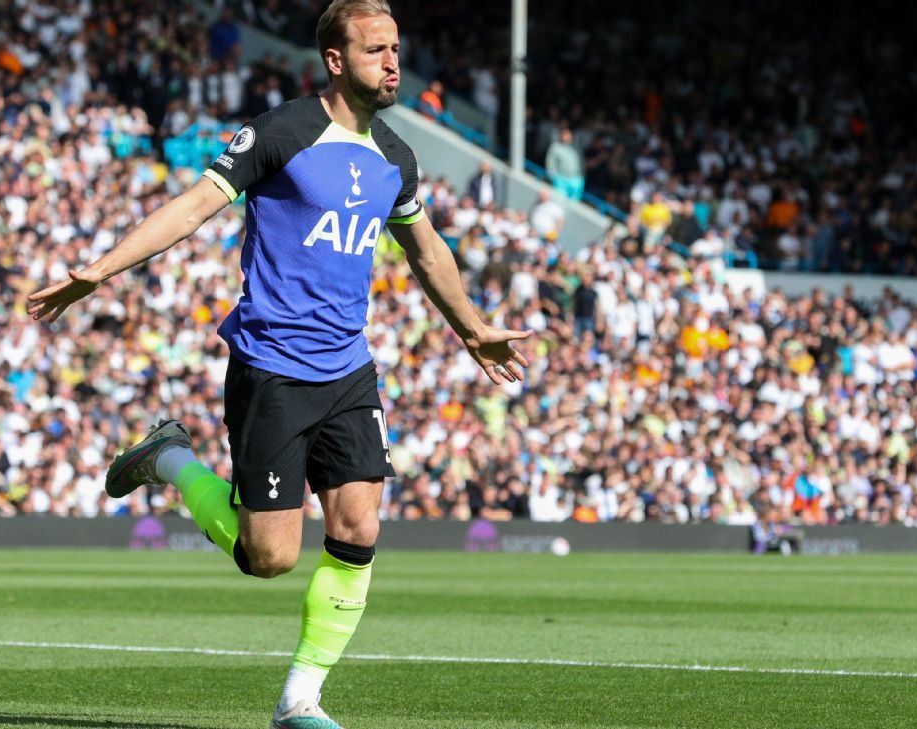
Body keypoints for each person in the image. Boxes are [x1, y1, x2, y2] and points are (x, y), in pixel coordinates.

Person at [28, 2, 532, 726]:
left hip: (348, 370)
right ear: (335, 59)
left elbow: (427, 250)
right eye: (375, 50)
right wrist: (98, 270)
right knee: (269, 557)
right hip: (273, 368)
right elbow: (195, 204)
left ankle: (300, 698)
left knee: (358, 527)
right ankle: (169, 459)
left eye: (395, 48)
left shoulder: (396, 155)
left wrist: (473, 328)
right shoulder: (280, 133)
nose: (393, 63)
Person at [545, 126, 583, 200]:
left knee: (574, 203)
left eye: (569, 135)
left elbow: (581, 164)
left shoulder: (576, 149)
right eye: (565, 134)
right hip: (561, 179)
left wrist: (581, 178)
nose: (567, 137)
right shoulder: (555, 147)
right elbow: (550, 163)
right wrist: (554, 177)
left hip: (575, 180)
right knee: (558, 201)